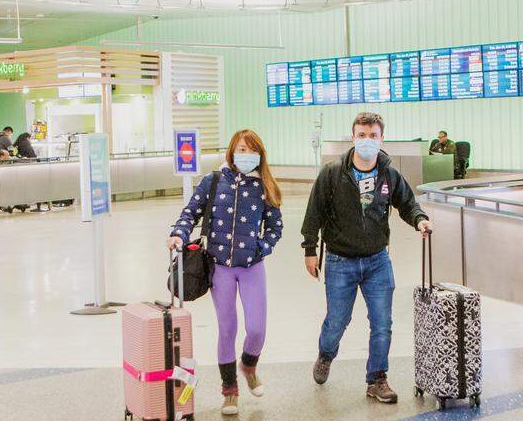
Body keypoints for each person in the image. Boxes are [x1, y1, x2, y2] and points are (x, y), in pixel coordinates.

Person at [302, 112, 432, 405]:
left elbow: (407, 203)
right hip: (340, 260)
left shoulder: (389, 174)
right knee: (337, 321)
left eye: (373, 135)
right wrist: (310, 249)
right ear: (353, 137)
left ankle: (377, 379)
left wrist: (419, 219)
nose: (367, 141)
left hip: (377, 260)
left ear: (382, 138)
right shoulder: (332, 173)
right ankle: (326, 354)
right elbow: (314, 212)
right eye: (362, 135)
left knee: (382, 323)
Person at [167, 130, 283, 416]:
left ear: (260, 155)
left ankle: (249, 366)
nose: (246, 155)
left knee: (257, 329)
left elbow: (275, 227)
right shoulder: (214, 181)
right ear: (232, 151)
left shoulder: (265, 186)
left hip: (252, 267)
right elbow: (191, 212)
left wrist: (261, 247)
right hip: (220, 267)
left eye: (252, 150)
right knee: (227, 328)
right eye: (241, 149)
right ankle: (229, 391)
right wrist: (179, 234)